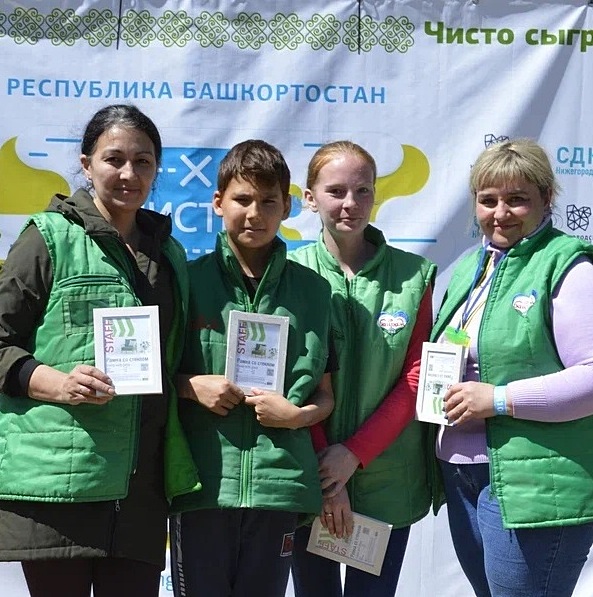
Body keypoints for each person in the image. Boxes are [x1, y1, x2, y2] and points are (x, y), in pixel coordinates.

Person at [0, 104, 198, 597]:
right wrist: (57, 383)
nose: (129, 173)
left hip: (140, 491)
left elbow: (172, 361)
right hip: (61, 485)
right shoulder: (47, 237)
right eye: (114, 159)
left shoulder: (169, 254)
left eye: (143, 161)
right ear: (86, 164)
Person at [169, 139, 334, 597]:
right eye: (242, 199)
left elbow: (326, 395)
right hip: (202, 485)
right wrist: (190, 386)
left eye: (268, 202)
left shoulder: (314, 291)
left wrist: (297, 416)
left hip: (279, 487)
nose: (254, 214)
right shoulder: (186, 281)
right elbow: (152, 376)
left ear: (288, 207)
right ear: (218, 202)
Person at [432, 138, 593, 597]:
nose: (500, 213)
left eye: (517, 199)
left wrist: (499, 399)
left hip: (534, 485)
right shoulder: (472, 267)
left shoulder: (569, 266)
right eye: (488, 200)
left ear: (547, 198)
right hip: (463, 473)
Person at [289, 140, 436, 597]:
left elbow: (417, 376)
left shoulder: (414, 276)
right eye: (335, 191)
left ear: (375, 195)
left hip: (389, 480)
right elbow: (290, 382)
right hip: (308, 478)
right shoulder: (289, 273)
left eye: (362, 191)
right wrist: (327, 476)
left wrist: (354, 453)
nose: (350, 203)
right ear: (310, 197)